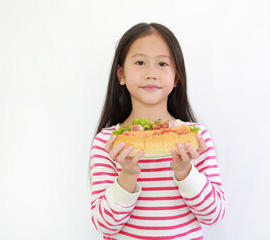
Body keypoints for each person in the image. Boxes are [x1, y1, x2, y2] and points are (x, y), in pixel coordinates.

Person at [90, 22, 225, 239]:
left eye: (162, 64)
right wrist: (128, 175)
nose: (151, 73)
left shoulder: (195, 139)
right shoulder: (107, 143)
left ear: (176, 78)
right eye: (140, 62)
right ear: (121, 74)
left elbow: (214, 215)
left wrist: (185, 172)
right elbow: (105, 226)